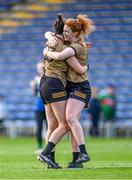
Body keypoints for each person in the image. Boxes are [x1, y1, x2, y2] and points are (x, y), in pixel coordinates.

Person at [38, 14, 95, 168]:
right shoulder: (65, 45)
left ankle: (53, 159)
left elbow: (62, 50)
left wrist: (47, 45)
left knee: (60, 123)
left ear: (75, 34)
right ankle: (56, 155)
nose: (64, 34)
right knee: (67, 122)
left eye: (67, 31)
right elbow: (79, 68)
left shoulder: (62, 43)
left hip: (53, 83)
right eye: (63, 31)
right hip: (56, 84)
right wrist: (85, 67)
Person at [30, 62, 47, 154]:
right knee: (39, 128)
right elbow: (34, 94)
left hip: (48, 106)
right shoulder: (35, 80)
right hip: (39, 107)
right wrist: (32, 87)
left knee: (50, 128)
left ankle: (49, 146)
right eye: (38, 67)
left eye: (41, 67)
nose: (40, 69)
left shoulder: (47, 78)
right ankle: (40, 147)